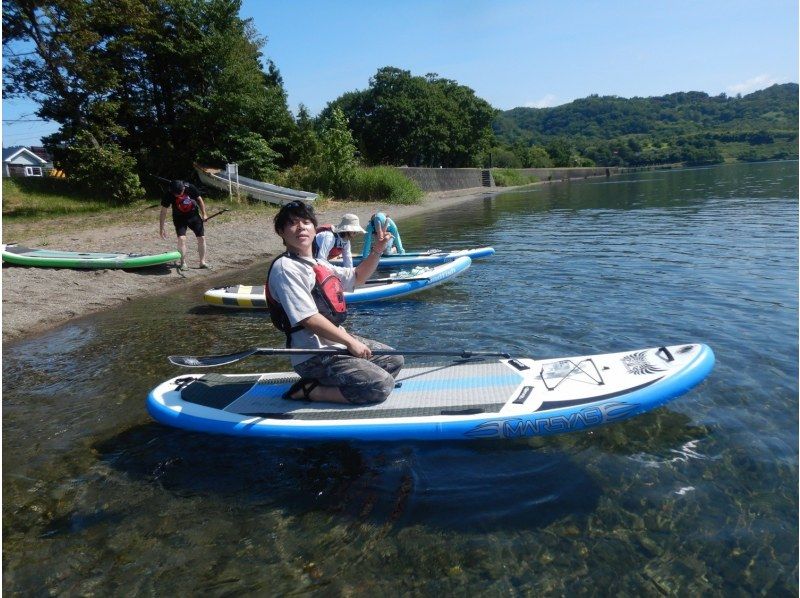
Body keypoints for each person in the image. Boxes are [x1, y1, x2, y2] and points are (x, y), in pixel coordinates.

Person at [266, 201, 403, 404]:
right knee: (380, 385)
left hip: (335, 344)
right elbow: (309, 318)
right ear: (281, 232)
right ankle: (310, 390)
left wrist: (378, 250)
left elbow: (358, 276)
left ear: (314, 228)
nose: (301, 227)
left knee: (394, 361)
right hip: (312, 355)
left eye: (306, 222)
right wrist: (351, 342)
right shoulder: (285, 268)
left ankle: (342, 378)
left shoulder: (319, 263)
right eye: (293, 223)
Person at [159, 179, 208, 270]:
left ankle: (202, 262)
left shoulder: (190, 187)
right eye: (175, 194)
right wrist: (161, 228)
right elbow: (163, 212)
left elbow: (199, 200)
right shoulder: (169, 194)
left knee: (201, 238)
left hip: (193, 215)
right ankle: (183, 263)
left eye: (179, 193)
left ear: (183, 189)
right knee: (182, 239)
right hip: (179, 218)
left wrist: (204, 214)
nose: (177, 195)